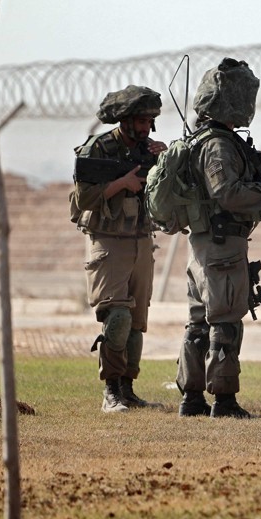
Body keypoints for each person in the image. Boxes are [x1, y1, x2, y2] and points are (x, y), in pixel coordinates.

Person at [176, 58, 261, 419]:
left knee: (199, 322)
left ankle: (192, 399)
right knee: (224, 322)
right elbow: (228, 193)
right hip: (221, 245)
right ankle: (222, 401)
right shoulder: (218, 145)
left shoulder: (205, 140)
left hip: (205, 243)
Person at [70, 85, 167, 413]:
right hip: (108, 242)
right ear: (125, 119)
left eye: (150, 120)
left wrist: (165, 159)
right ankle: (110, 392)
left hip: (141, 240)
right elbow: (83, 198)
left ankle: (128, 390)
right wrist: (121, 184)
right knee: (119, 317)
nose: (145, 127)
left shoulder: (149, 149)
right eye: (140, 120)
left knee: (137, 321)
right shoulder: (99, 148)